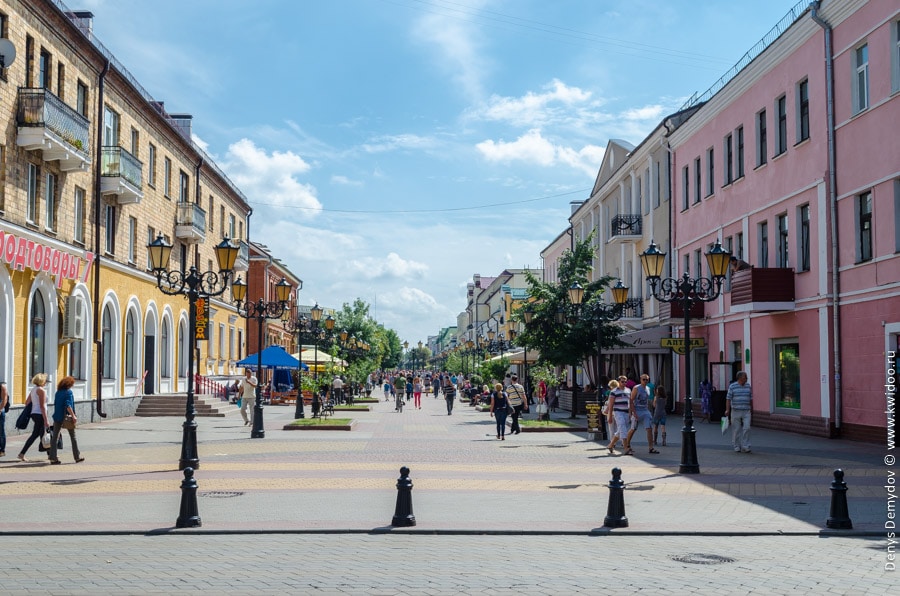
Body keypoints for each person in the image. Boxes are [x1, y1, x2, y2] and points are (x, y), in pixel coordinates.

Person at [48, 376, 83, 465]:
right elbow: (68, 405)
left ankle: (53, 458)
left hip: (57, 417)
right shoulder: (68, 392)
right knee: (73, 437)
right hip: (67, 418)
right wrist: (73, 416)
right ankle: (77, 457)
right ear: (69, 384)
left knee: (55, 437)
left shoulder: (58, 392)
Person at [18, 373, 51, 462]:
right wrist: (46, 419)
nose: (46, 382)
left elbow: (27, 402)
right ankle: (22, 453)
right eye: (45, 381)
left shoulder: (33, 389)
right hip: (40, 414)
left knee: (40, 434)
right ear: (42, 381)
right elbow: (42, 406)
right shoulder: (41, 390)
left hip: (34, 413)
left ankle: (50, 454)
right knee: (39, 434)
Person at [627, 374, 658, 454]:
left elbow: (647, 400)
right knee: (633, 429)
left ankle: (651, 447)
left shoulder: (648, 388)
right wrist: (633, 412)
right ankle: (627, 444)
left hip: (645, 410)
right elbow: (631, 401)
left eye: (646, 380)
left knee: (649, 428)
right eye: (643, 379)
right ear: (640, 380)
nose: (645, 381)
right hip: (637, 409)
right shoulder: (636, 388)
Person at [725, 371, 753, 453]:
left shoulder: (748, 386)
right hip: (736, 410)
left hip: (746, 410)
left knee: (747, 427)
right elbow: (728, 399)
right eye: (745, 377)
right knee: (736, 429)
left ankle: (746, 445)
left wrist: (752, 408)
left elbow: (751, 398)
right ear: (740, 378)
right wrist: (727, 410)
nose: (747, 379)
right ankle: (736, 445)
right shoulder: (732, 386)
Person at [605, 379, 631, 454]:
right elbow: (611, 404)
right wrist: (609, 416)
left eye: (626, 382)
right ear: (619, 382)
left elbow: (630, 402)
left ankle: (610, 445)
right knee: (623, 429)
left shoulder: (628, 390)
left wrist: (630, 413)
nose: (624, 383)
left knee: (620, 430)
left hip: (626, 412)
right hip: (618, 412)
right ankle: (626, 448)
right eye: (622, 381)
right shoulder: (613, 392)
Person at [0, 379, 8, 458]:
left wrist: (0, 409)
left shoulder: (2, 386)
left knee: (1, 431)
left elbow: (4, 399)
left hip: (0, 410)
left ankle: (2, 450)